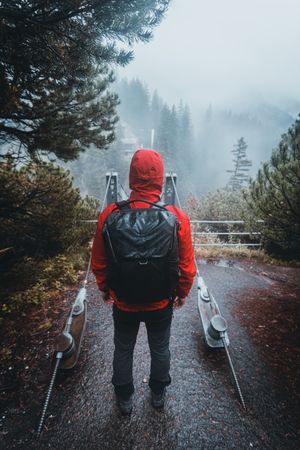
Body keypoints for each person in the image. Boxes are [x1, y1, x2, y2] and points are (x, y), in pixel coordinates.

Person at [91, 149, 196, 414]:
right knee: (160, 348)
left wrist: (105, 289)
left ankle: (124, 398)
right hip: (161, 301)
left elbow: (99, 262)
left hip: (124, 302)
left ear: (131, 176)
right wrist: (182, 293)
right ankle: (158, 394)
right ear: (160, 178)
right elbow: (186, 267)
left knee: (123, 348)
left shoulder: (109, 215)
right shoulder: (177, 217)